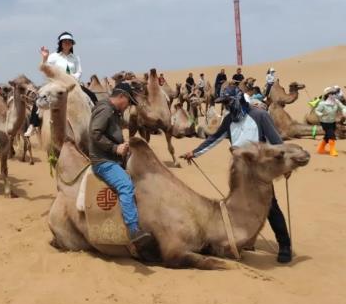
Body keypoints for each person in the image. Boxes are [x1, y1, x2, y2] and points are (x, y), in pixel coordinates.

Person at [180, 86, 293, 263]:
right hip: (239, 172)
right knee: (241, 206)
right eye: (224, 103)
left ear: (238, 99)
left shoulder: (260, 116)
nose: (226, 106)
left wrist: (285, 166)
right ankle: (247, 239)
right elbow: (214, 138)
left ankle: (285, 245)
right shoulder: (229, 120)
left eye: (228, 102)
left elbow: (276, 143)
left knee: (271, 207)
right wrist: (194, 153)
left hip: (259, 171)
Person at [89, 82, 152, 249]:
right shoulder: (106, 110)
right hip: (104, 161)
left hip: (113, 158)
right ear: (122, 97)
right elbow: (94, 132)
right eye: (129, 102)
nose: (128, 106)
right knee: (125, 185)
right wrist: (115, 148)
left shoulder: (113, 111)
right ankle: (133, 231)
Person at [25, 31, 95, 137]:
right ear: (61, 43)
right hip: (56, 84)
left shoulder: (75, 58)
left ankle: (95, 124)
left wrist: (72, 78)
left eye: (69, 41)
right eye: (64, 41)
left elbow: (79, 71)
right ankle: (33, 125)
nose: (67, 43)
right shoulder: (54, 56)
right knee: (39, 98)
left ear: (72, 44)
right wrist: (44, 58)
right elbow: (45, 68)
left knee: (92, 96)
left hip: (72, 84)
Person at [315, 86, 346, 157]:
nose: (335, 95)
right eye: (333, 94)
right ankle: (332, 150)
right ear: (329, 95)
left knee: (327, 136)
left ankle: (320, 149)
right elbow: (317, 110)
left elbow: (343, 107)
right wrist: (320, 114)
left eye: (335, 93)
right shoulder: (322, 104)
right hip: (325, 122)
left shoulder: (336, 102)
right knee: (331, 135)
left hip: (332, 122)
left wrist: (344, 111)